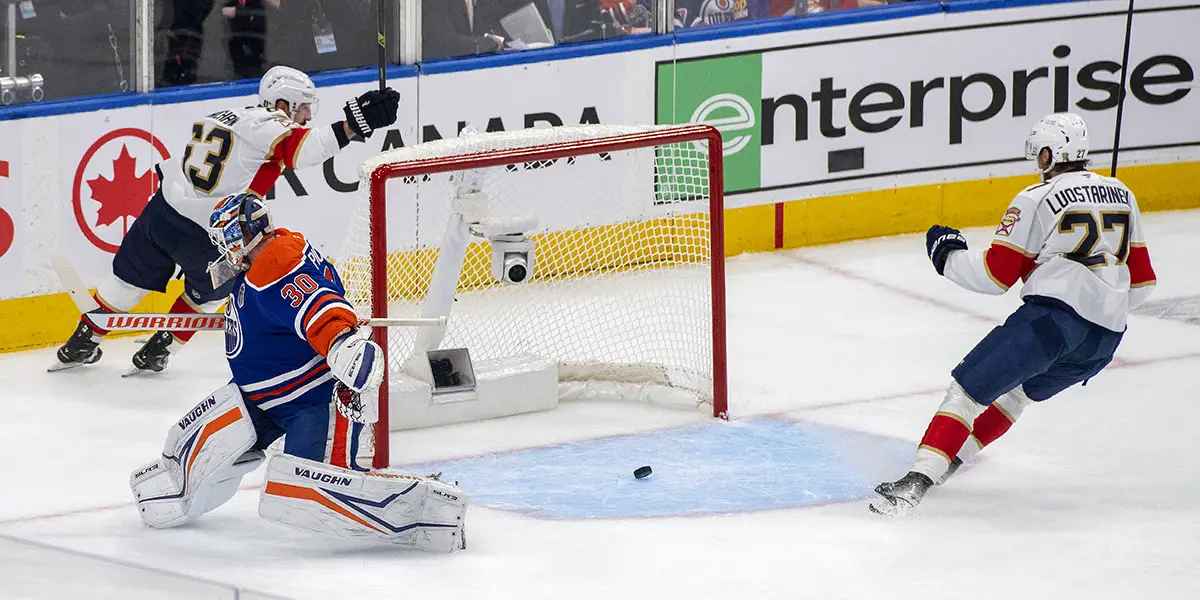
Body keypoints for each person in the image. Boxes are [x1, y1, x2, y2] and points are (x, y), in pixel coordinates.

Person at [128, 193, 468, 551]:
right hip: (255, 397)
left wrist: (341, 340)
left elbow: (317, 304)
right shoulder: (265, 256)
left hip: (312, 401)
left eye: (227, 237)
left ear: (249, 232)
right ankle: (171, 485)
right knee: (189, 449)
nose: (224, 247)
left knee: (304, 494)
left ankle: (424, 508)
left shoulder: (277, 262)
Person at [870, 113, 1158, 517]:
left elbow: (994, 275)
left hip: (1051, 323)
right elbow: (1142, 286)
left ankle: (916, 481)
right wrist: (1098, 300)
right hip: (1105, 340)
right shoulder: (1122, 194)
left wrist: (947, 256)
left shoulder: (1036, 198)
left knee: (966, 391)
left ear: (1049, 154)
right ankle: (951, 461)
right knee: (1017, 397)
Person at [51, 65, 400, 375]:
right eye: (304, 106)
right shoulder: (271, 124)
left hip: (160, 213)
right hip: (208, 234)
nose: (308, 115)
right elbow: (307, 151)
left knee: (126, 286)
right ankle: (160, 349)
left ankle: (81, 340)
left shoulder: (225, 114)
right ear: (282, 105)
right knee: (208, 294)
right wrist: (357, 122)